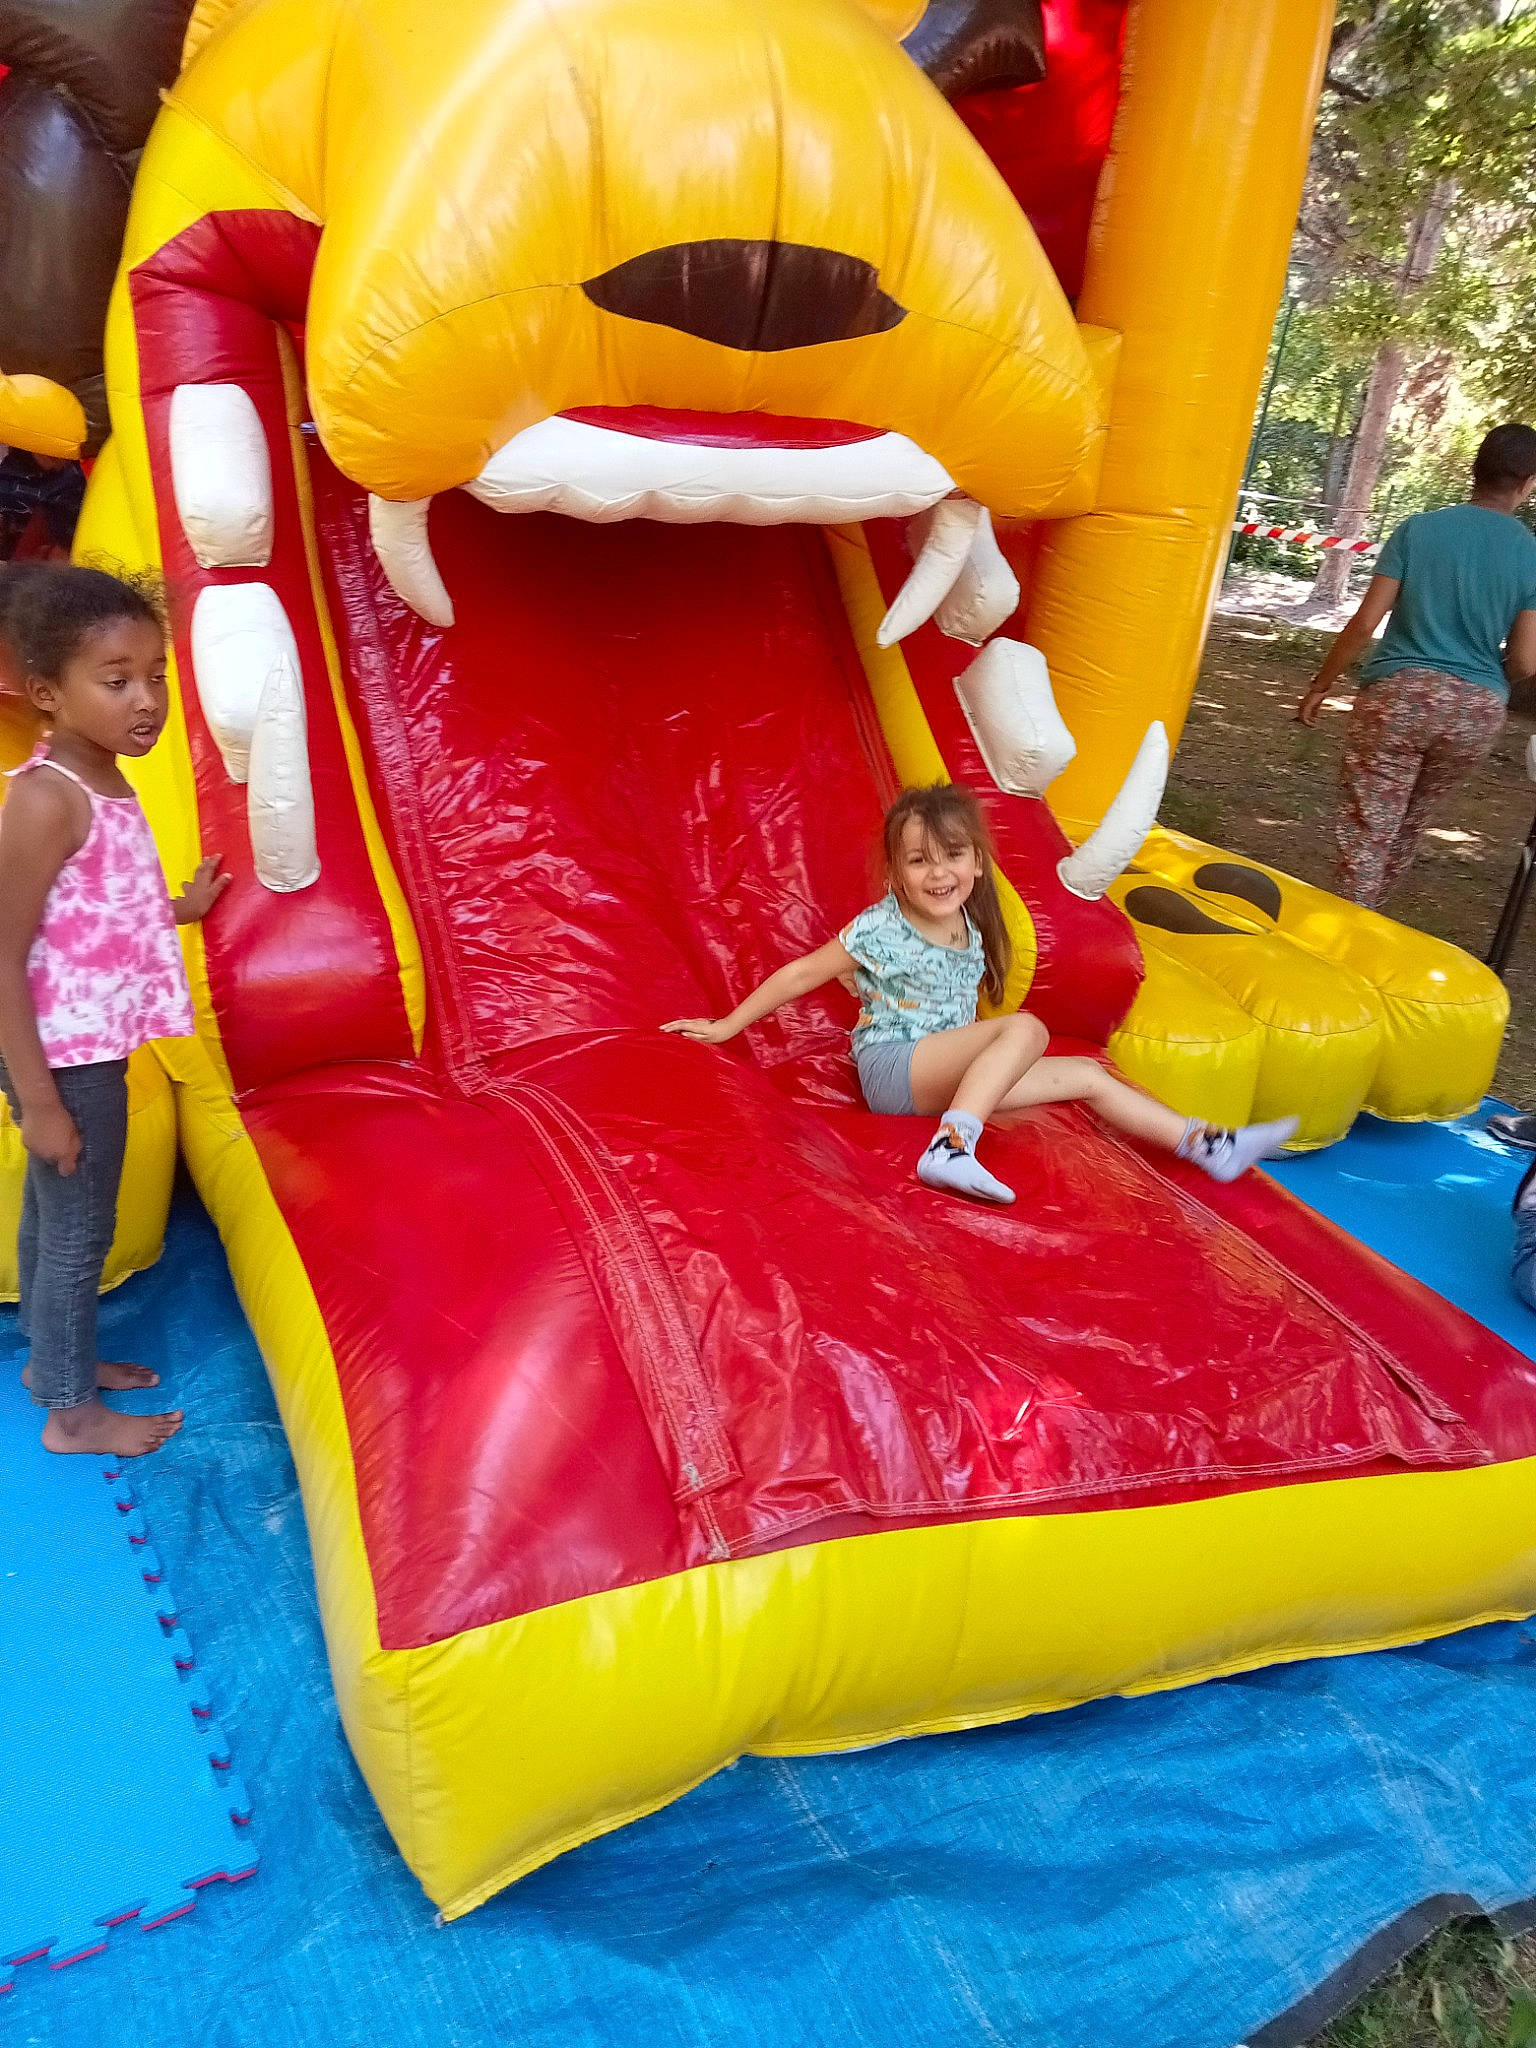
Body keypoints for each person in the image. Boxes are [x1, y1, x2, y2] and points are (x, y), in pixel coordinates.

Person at [662, 782, 1297, 1206]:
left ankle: (1210, 1144)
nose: (938, 873)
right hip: (896, 1069)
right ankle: (952, 1146)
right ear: (894, 873)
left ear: (977, 863)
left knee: (1088, 1076)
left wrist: (866, 986)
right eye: (918, 861)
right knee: (1024, 1028)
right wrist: (726, 1027)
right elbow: (803, 972)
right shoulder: (882, 924)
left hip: (944, 1067)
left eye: (952, 856)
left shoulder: (968, 919)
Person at [0, 565, 229, 1456]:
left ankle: (49, 1364)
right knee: (76, 1233)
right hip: (63, 1057)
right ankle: (70, 1414)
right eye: (117, 680)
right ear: (49, 693)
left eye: (156, 676)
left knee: (53, 1219)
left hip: (85, 1046)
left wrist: (182, 908)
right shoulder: (47, 798)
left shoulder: (106, 782)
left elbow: (93, 911)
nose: (147, 701)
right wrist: (45, 1103)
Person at [1296, 422, 1536, 909]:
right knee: (1408, 821)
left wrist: (1323, 683)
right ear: (1528, 483)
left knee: (1370, 826)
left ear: (1474, 470)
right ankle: (1372, 929)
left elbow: (1364, 624)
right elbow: (1524, 660)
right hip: (1476, 713)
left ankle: (1348, 937)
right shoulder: (1530, 553)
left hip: (1398, 698)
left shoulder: (1419, 529)